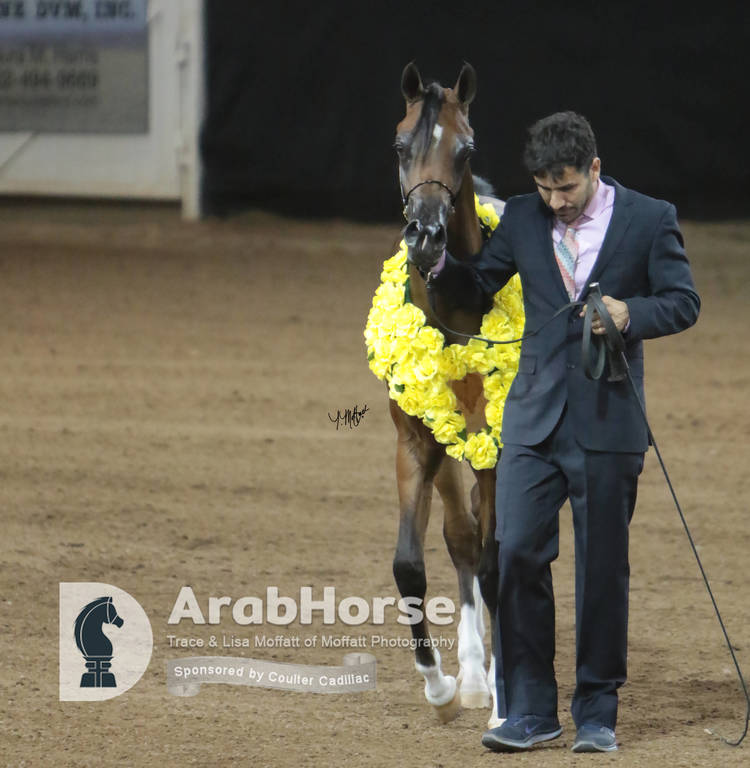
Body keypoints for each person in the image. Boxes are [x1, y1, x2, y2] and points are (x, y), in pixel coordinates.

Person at [427, 111, 700, 753]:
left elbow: (683, 301)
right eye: (545, 188)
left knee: (601, 568)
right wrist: (434, 262)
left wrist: (632, 314)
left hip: (609, 422)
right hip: (533, 420)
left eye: (567, 187)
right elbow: (478, 287)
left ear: (594, 168)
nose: (556, 201)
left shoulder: (650, 218)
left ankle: (597, 712)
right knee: (516, 551)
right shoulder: (524, 218)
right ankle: (530, 709)